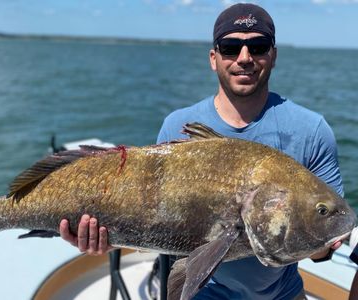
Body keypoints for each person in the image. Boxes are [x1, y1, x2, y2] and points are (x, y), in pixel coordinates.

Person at [59, 3, 345, 299]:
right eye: (230, 47)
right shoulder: (177, 126)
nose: (244, 58)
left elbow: (323, 243)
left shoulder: (312, 131)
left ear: (272, 55)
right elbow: (153, 219)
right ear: (214, 58)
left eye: (257, 46)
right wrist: (108, 239)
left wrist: (323, 245)